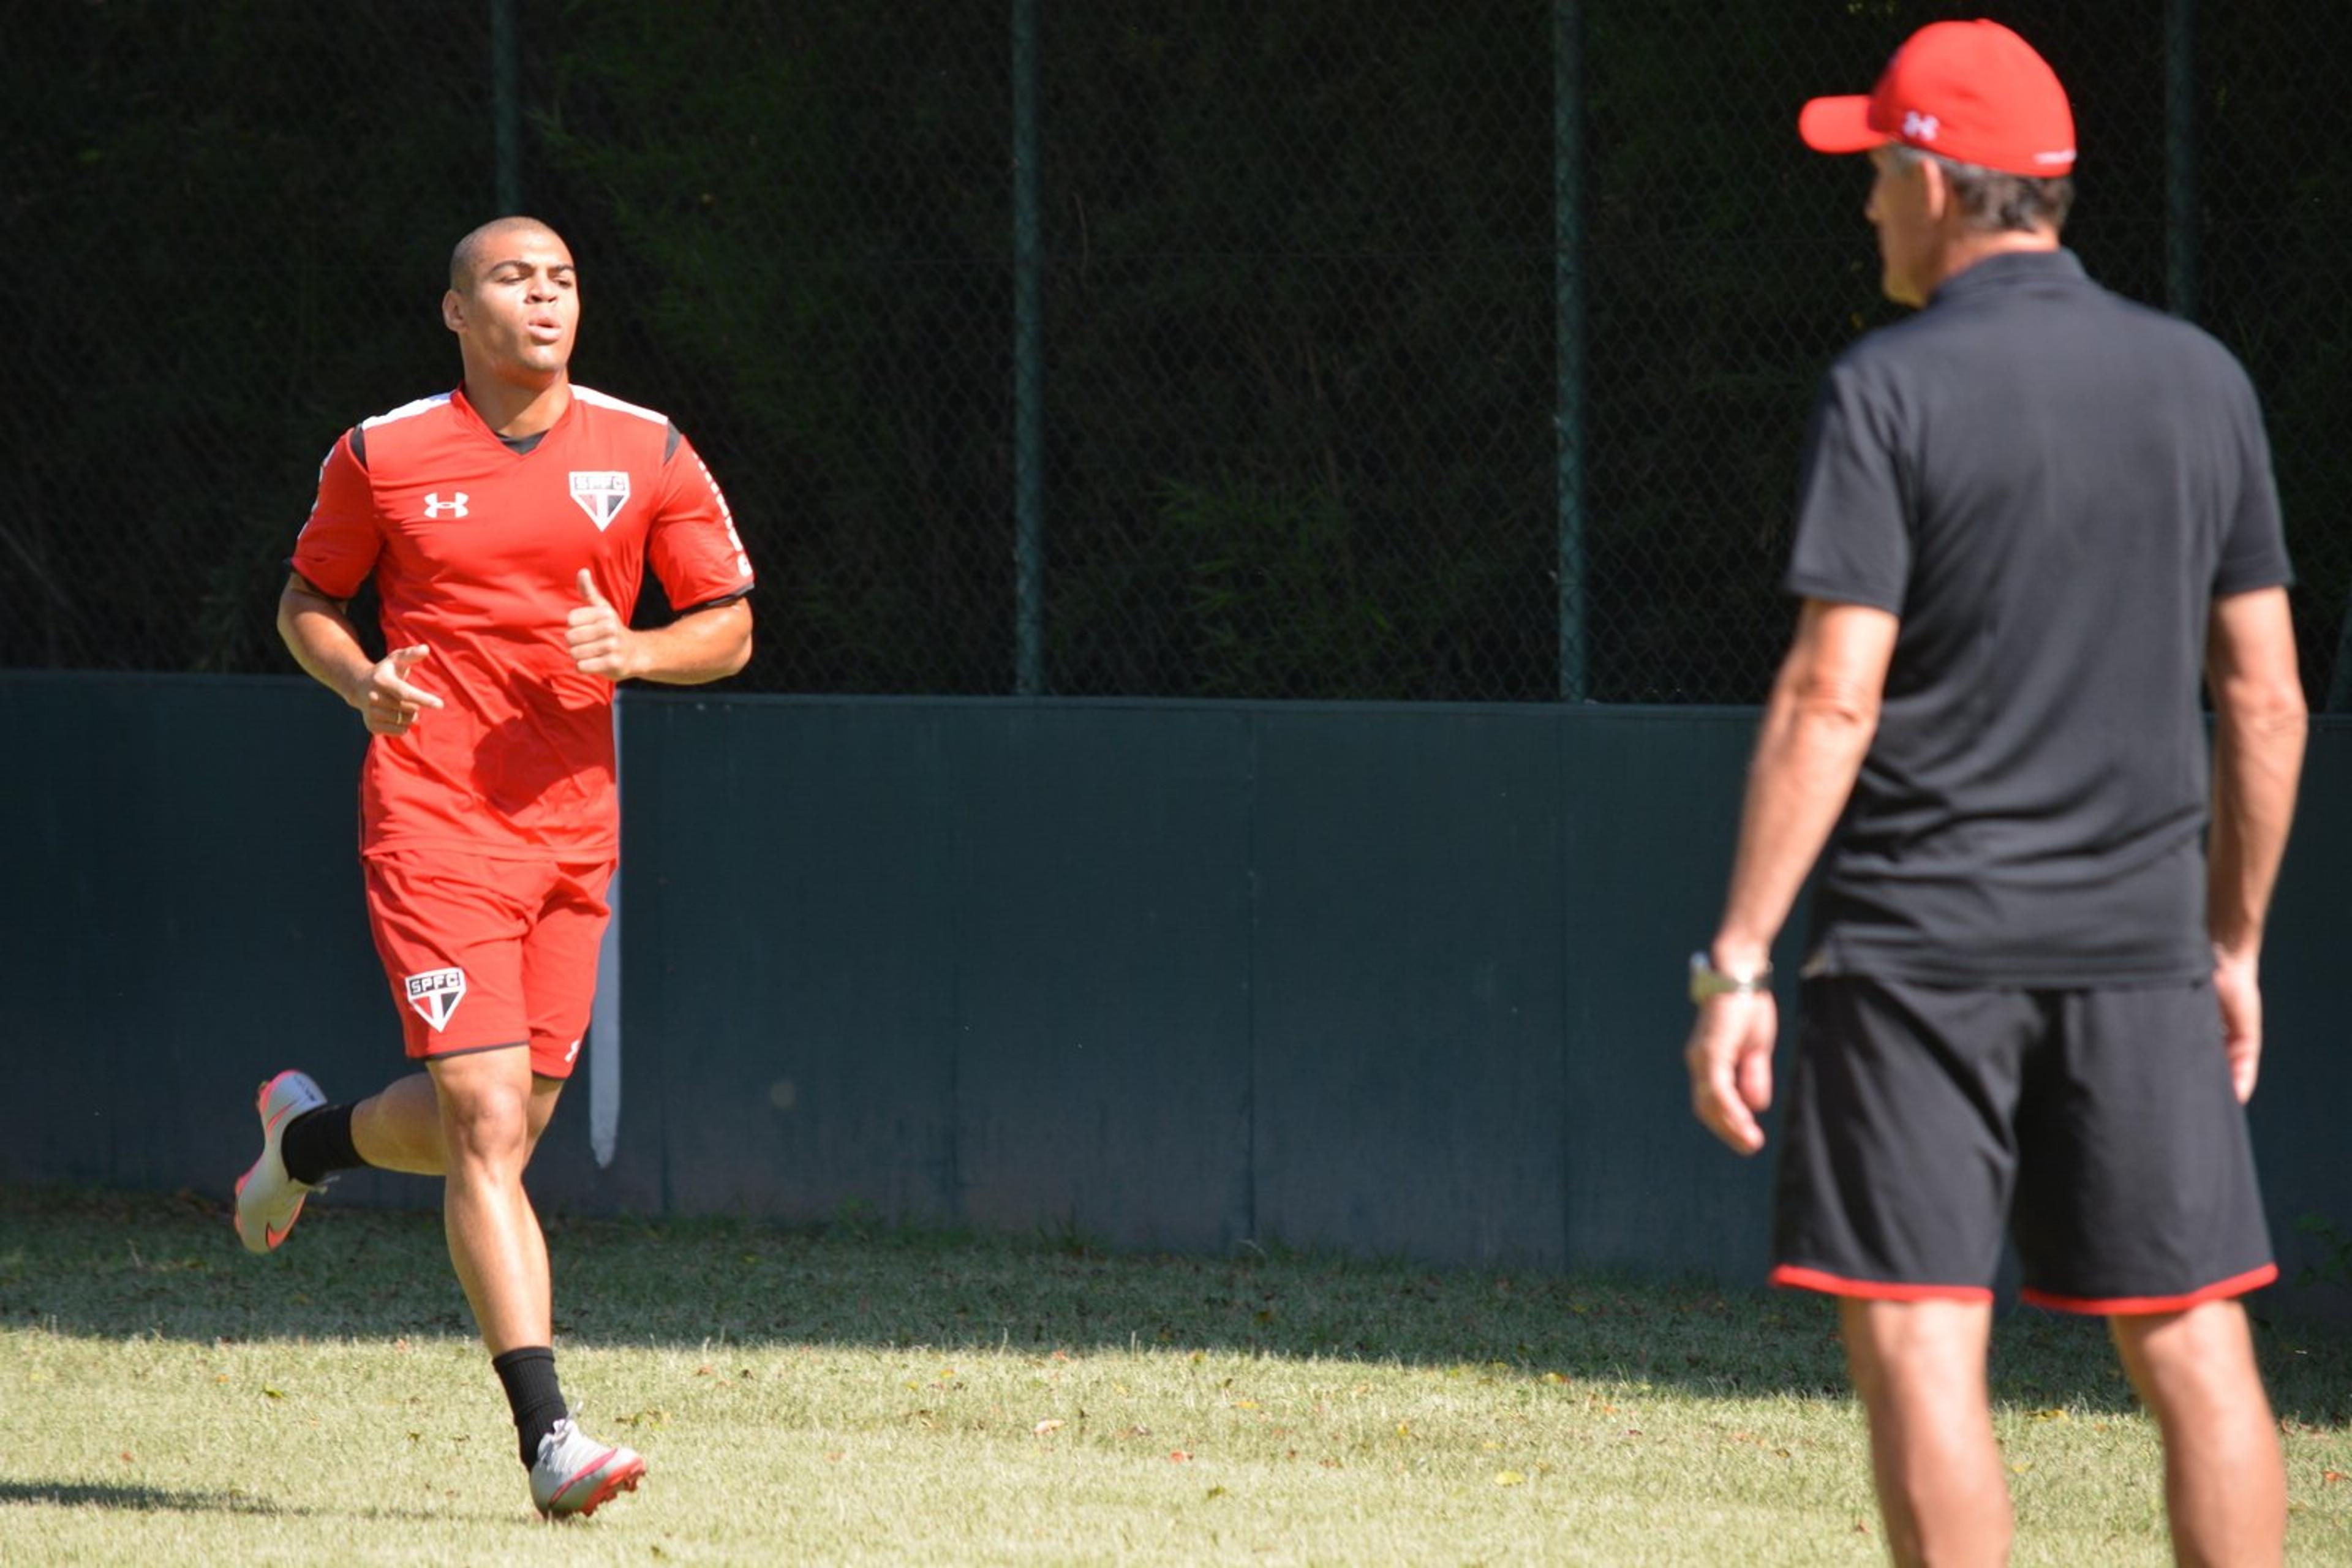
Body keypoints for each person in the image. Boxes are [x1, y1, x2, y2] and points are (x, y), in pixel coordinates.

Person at [1682, 21, 2305, 1567]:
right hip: (2139, 946)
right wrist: (2230, 945)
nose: (1869, 207)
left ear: (1940, 186)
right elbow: (2269, 699)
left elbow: (1835, 690)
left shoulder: (1886, 389)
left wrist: (1740, 956)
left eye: (1879, 174)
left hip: (1915, 951)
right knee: (2194, 1344)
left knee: (1920, 1337)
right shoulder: (2202, 381)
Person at [233, 216, 756, 1518]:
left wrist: (637, 653)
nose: (545, 297)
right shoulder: (385, 452)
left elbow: (730, 624)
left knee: (504, 1120)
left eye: (564, 279)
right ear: (455, 311)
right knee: (481, 1123)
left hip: (573, 831)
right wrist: (361, 677)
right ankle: (551, 1437)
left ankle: (299, 1141)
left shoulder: (647, 448)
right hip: (433, 814)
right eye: (514, 279)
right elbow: (307, 599)